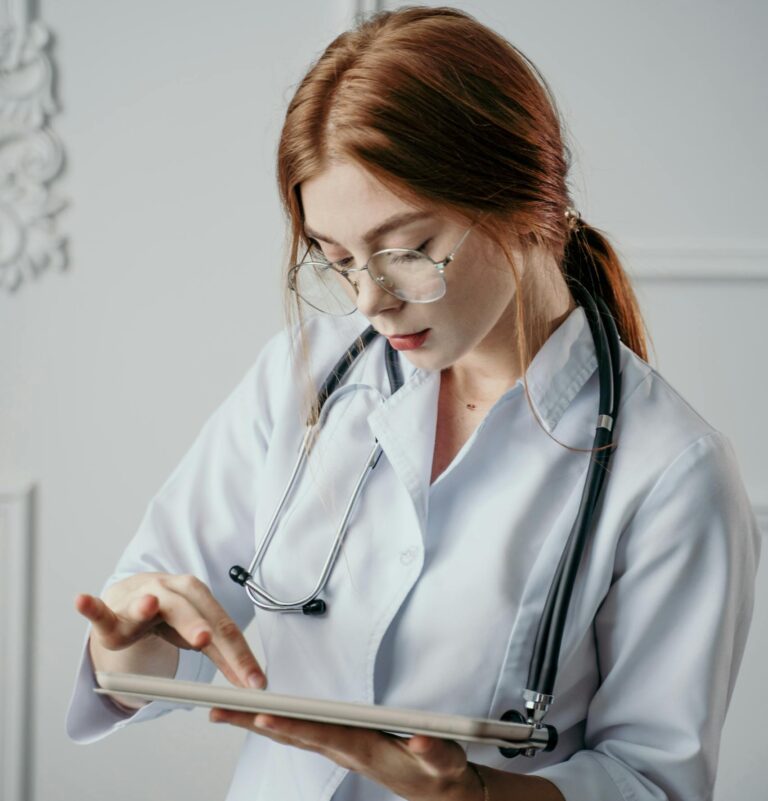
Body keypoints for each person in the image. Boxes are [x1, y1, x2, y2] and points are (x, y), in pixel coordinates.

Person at [66, 6, 761, 801]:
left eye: (409, 250)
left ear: (523, 200)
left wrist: (473, 794)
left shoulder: (671, 470)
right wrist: (126, 645)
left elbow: (653, 783)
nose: (371, 299)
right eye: (338, 260)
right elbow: (153, 655)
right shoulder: (299, 377)